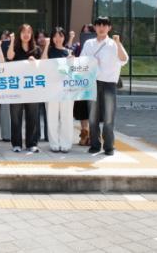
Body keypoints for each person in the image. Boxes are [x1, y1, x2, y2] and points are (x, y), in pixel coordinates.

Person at [82, 16, 129, 156]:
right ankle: (95, 145)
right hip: (92, 83)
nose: (101, 28)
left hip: (109, 84)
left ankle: (109, 146)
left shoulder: (114, 44)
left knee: (109, 117)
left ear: (109, 28)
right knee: (93, 117)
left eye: (104, 25)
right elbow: (82, 62)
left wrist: (118, 43)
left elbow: (124, 59)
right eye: (99, 25)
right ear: (95, 27)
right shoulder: (89, 43)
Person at [7, 24, 41, 153]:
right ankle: (16, 144)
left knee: (32, 116)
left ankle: (31, 143)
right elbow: (10, 57)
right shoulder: (15, 47)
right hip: (16, 88)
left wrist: (35, 62)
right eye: (23, 32)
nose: (26, 34)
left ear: (31, 34)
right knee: (16, 117)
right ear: (19, 34)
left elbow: (43, 65)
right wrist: (12, 40)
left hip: (32, 88)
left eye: (28, 32)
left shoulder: (36, 49)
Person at [41, 27, 74, 153]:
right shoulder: (49, 51)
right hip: (51, 89)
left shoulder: (68, 52)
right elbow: (43, 63)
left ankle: (66, 143)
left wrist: (72, 61)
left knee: (66, 116)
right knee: (52, 116)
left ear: (64, 37)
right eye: (55, 36)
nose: (58, 38)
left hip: (66, 89)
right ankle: (54, 143)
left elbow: (73, 71)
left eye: (60, 36)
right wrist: (47, 45)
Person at [72, 24, 93, 146]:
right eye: (84, 32)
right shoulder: (77, 46)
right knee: (81, 108)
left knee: (92, 108)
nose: (86, 34)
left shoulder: (96, 46)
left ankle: (91, 134)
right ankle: (84, 133)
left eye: (89, 32)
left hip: (93, 81)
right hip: (80, 80)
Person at [0, 30, 12, 143]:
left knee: (6, 110)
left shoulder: (14, 49)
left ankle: (7, 135)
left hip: (10, 83)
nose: (5, 40)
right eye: (3, 38)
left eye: (8, 38)